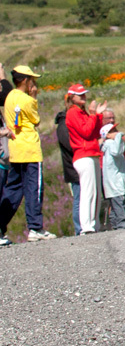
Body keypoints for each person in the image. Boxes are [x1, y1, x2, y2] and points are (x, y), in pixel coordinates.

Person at [0, 66, 56, 244]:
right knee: (34, 188)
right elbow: (36, 120)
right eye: (32, 79)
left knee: (14, 188)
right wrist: (33, 97)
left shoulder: (9, 97)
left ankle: (1, 225)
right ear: (24, 80)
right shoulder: (27, 100)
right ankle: (35, 227)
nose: (34, 83)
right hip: (30, 148)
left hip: (15, 147)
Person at [65, 83, 107, 235]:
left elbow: (95, 132)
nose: (83, 96)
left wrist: (98, 115)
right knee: (88, 191)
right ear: (72, 97)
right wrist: (93, 114)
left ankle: (93, 224)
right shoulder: (72, 113)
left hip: (91, 153)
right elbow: (86, 132)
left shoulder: (82, 113)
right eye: (80, 94)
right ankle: (86, 226)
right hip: (83, 155)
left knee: (95, 192)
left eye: (84, 94)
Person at [99, 112, 125, 230]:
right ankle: (122, 226)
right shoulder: (109, 144)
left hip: (116, 182)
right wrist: (119, 136)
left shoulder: (110, 144)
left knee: (115, 206)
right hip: (115, 183)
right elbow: (116, 151)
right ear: (107, 135)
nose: (116, 132)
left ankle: (115, 226)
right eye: (113, 131)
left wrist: (120, 139)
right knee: (119, 205)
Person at [55, 107, 81, 236]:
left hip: (80, 164)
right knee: (79, 199)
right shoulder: (63, 125)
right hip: (73, 168)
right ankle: (79, 228)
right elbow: (70, 145)